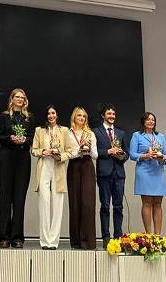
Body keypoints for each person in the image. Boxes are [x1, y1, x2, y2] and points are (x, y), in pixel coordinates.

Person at [0, 89, 35, 248]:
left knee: (19, 199)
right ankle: (3, 237)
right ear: (11, 99)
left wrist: (25, 140)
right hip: (6, 159)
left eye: (22, 97)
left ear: (25, 101)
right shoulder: (3, 117)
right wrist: (10, 138)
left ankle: (17, 237)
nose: (20, 99)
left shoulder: (29, 118)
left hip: (23, 160)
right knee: (4, 199)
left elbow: (33, 137)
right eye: (17, 97)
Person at [31, 105, 73, 250]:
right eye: (48, 113)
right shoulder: (39, 130)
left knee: (58, 204)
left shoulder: (64, 130)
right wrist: (44, 151)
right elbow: (33, 150)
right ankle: (44, 241)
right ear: (46, 116)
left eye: (53, 113)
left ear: (57, 115)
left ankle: (53, 241)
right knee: (44, 203)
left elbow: (70, 152)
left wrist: (59, 156)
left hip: (58, 168)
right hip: (44, 168)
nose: (51, 116)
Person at [93, 104, 129, 248]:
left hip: (119, 173)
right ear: (103, 115)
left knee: (119, 206)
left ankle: (118, 236)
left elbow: (127, 153)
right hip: (104, 173)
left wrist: (122, 156)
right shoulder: (96, 132)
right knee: (105, 206)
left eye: (113, 114)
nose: (112, 116)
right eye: (109, 114)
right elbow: (94, 152)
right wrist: (108, 151)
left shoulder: (120, 133)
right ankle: (106, 236)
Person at [129, 112, 166, 235]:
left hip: (158, 171)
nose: (151, 121)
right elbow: (132, 154)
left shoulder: (160, 136)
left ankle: (157, 236)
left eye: (153, 119)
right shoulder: (137, 136)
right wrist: (146, 155)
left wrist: (162, 158)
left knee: (158, 203)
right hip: (144, 172)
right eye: (148, 120)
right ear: (143, 122)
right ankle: (149, 235)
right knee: (147, 203)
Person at [66, 107, 98, 250]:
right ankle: (76, 241)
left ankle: (88, 241)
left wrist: (89, 148)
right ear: (74, 117)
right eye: (79, 116)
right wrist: (77, 152)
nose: (81, 118)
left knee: (88, 203)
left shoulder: (90, 134)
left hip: (87, 166)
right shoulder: (68, 133)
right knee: (74, 203)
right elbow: (66, 153)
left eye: (84, 116)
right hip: (73, 166)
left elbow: (95, 155)